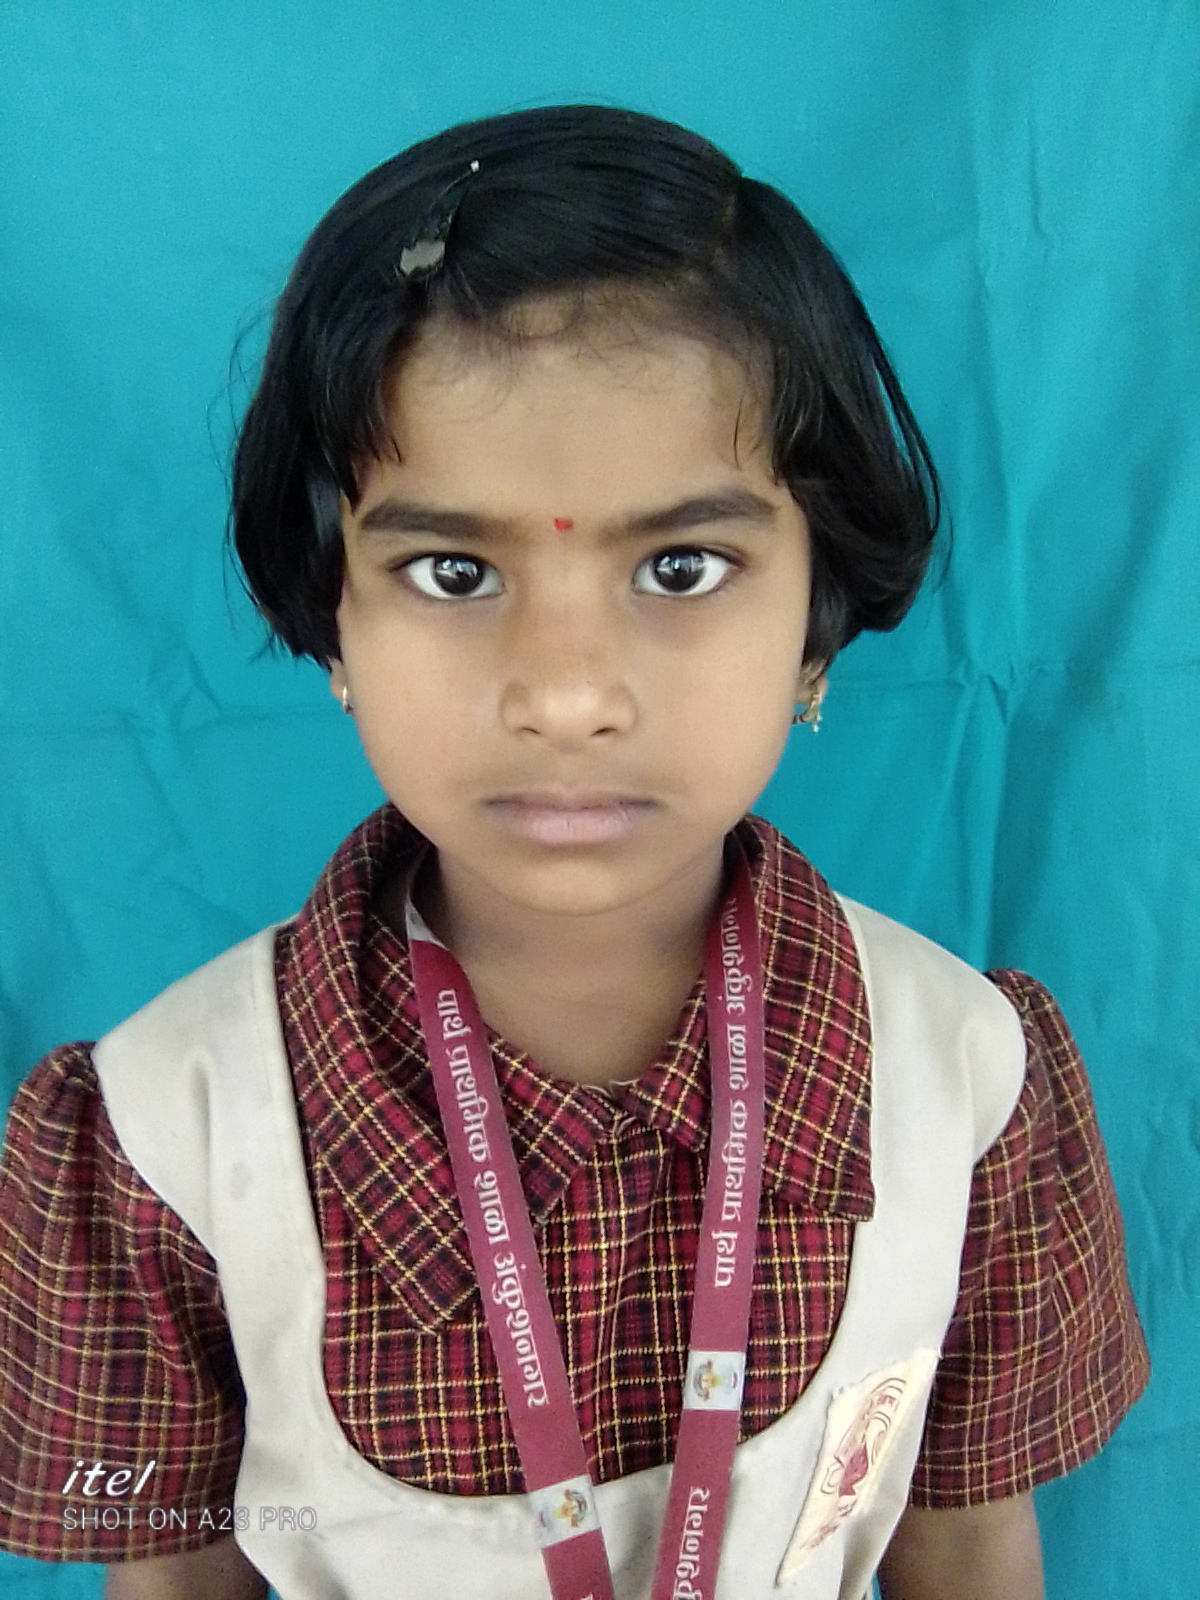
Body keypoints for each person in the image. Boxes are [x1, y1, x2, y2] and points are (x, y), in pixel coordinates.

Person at [0, 105, 1148, 1600]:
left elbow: (972, 1548)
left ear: (817, 629)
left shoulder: (972, 1087)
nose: (565, 696)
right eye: (451, 571)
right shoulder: (165, 1139)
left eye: (682, 567)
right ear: (332, 622)